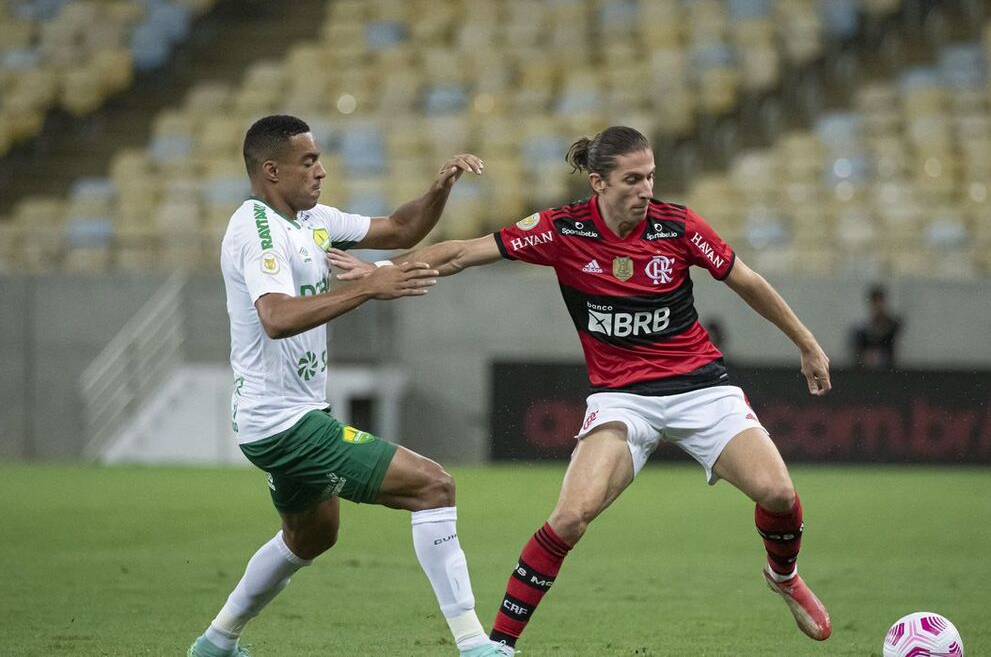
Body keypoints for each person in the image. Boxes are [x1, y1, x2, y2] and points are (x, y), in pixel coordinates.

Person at [327, 125, 834, 653]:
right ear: (598, 182)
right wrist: (382, 270)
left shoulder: (677, 226)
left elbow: (746, 279)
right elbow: (461, 253)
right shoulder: (561, 229)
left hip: (700, 389)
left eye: (651, 177)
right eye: (632, 180)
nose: (645, 190)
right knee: (569, 517)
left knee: (777, 493)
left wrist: (807, 344)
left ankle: (782, 575)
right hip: (622, 400)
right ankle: (499, 646)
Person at [189, 114, 508, 657]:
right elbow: (277, 317)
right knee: (434, 486)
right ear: (271, 170)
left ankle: (216, 642)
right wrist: (371, 287)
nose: (321, 171)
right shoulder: (258, 230)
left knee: (312, 535)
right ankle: (475, 644)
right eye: (308, 161)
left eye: (319, 159)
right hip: (283, 423)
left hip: (285, 416)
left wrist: (438, 188)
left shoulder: (312, 219)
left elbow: (401, 230)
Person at [850, 283, 903, 369]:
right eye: (875, 302)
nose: (878, 306)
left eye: (880, 302)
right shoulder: (863, 330)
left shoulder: (893, 324)